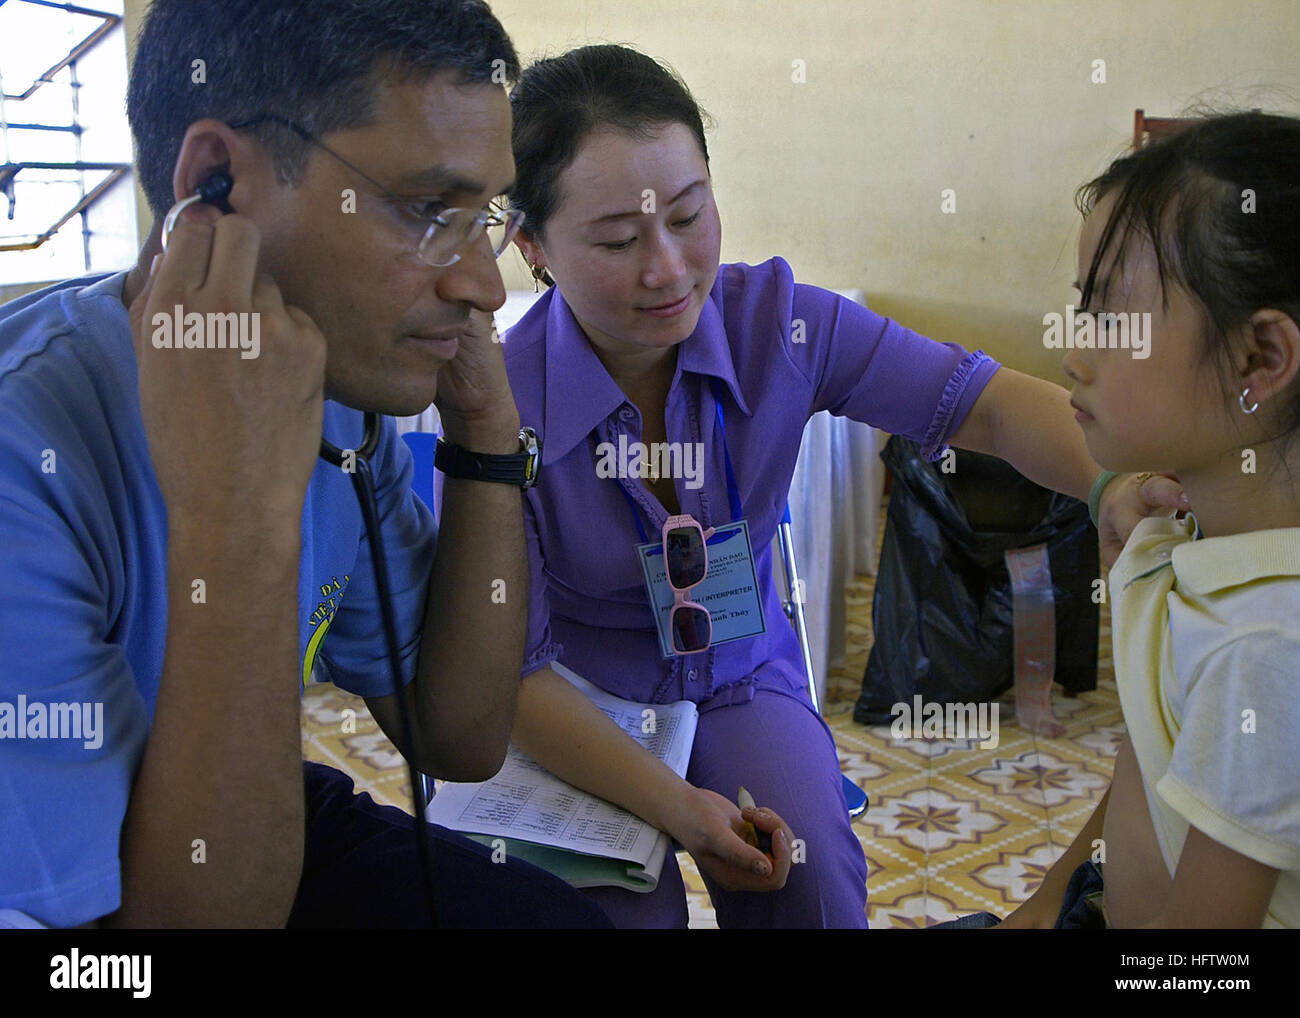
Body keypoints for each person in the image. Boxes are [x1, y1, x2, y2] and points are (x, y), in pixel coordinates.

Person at [497, 44, 1181, 928]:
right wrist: (678, 808)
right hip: (579, 706)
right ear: (531, 246)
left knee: (807, 880)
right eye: (618, 241)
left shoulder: (777, 326)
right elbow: (509, 678)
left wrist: (1109, 488)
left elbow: (985, 405)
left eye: (690, 214)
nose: (668, 269)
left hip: (736, 675)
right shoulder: (500, 407)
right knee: (617, 917)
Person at [0, 0, 611, 929]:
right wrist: (238, 512)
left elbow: (457, 735)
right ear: (216, 181)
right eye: (423, 209)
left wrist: (485, 431)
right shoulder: (23, 456)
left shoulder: (331, 388)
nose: (486, 285)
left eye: (480, 215)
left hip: (226, 801)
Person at [996, 111, 1299, 928]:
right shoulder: (1193, 533)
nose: (1073, 353)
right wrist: (1034, 914)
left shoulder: (1266, 647)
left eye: (1112, 319)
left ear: (1258, 359)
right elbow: (1144, 789)